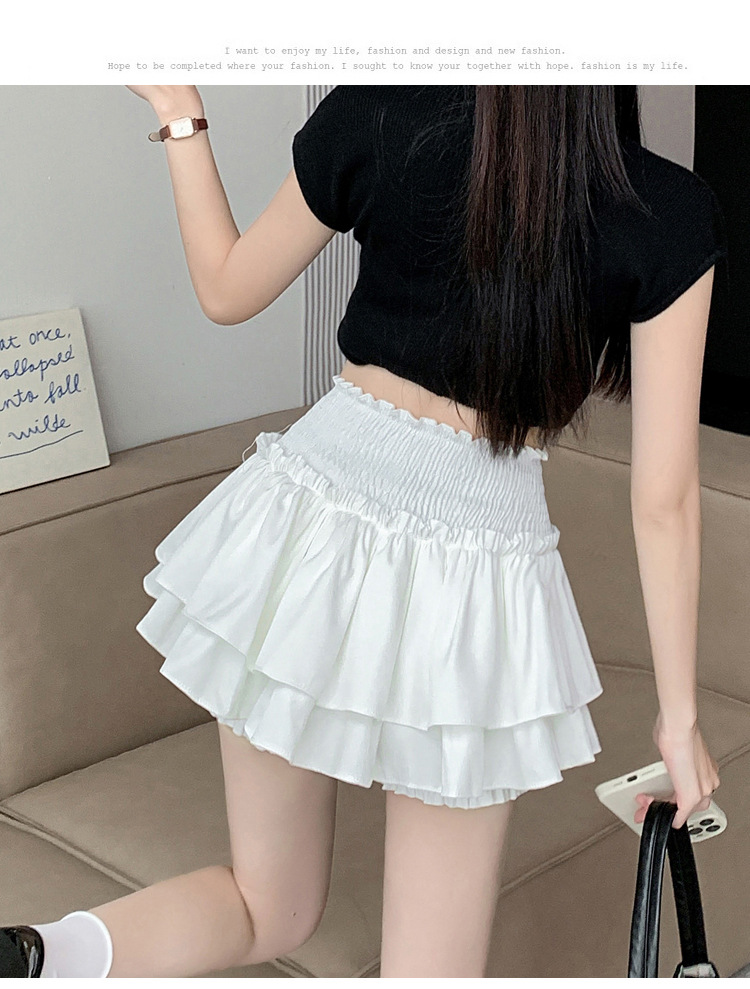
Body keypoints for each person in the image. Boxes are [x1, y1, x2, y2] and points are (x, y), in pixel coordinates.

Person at [1, 84, 725, 979]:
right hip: (475, 572)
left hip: (301, 524)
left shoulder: (382, 110)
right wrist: (678, 720)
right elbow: (664, 501)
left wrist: (180, 108)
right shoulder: (669, 213)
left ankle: (42, 956)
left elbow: (226, 289)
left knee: (268, 904)